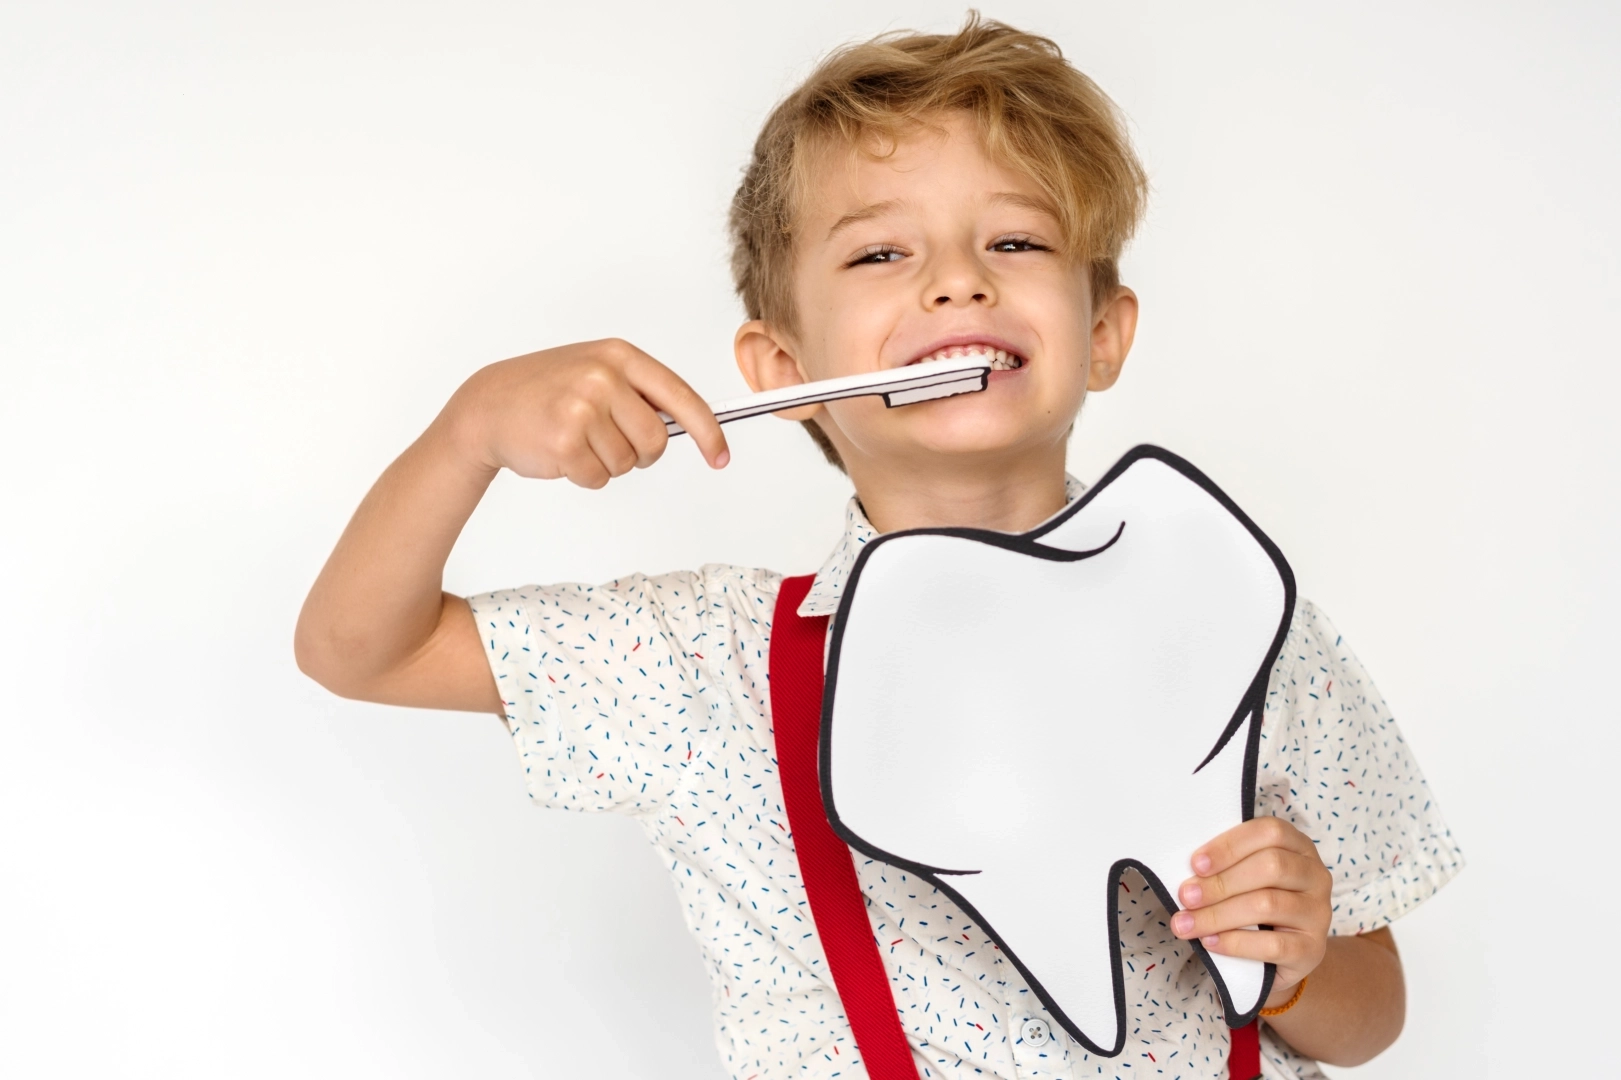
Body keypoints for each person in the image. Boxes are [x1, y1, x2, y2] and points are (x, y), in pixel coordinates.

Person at [294, 15, 1462, 1079]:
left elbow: (1371, 1019)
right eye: (879, 255)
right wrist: (468, 434)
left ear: (1102, 334)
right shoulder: (705, 662)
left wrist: (1296, 961)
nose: (957, 281)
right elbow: (362, 649)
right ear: (784, 372)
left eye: (1016, 240)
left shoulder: (1240, 620)